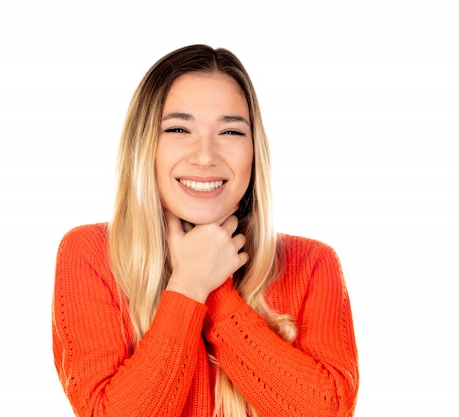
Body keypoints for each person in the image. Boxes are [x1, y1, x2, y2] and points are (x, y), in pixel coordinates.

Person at [52, 44, 359, 417]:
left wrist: (218, 294)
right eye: (179, 128)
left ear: (253, 151)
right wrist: (189, 284)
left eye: (230, 131)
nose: (204, 156)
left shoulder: (312, 263)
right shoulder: (90, 254)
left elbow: (325, 412)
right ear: (145, 144)